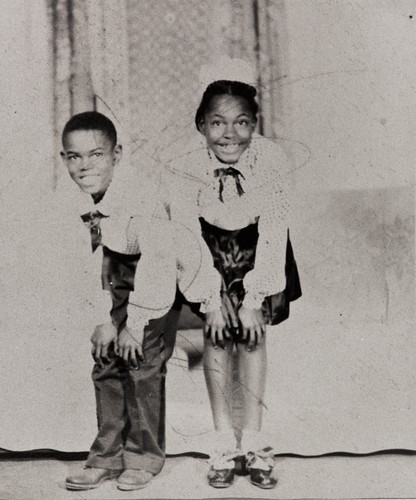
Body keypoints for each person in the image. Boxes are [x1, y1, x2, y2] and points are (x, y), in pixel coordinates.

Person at [60, 111, 221, 491]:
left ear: (116, 154)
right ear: (64, 158)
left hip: (162, 277)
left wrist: (134, 326)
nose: (84, 166)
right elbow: (85, 266)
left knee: (141, 362)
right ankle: (106, 457)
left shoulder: (141, 197)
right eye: (74, 156)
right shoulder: (71, 202)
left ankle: (144, 456)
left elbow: (160, 263)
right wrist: (103, 320)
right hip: (115, 276)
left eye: (95, 155)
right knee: (105, 360)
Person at [164, 58, 301, 490]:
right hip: (205, 251)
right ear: (201, 125)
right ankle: (223, 443)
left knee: (253, 336)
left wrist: (255, 299)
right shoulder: (183, 167)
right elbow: (186, 234)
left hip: (257, 249)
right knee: (217, 337)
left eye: (242, 122)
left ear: (255, 123)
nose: (230, 134)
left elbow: (275, 227)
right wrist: (210, 298)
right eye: (218, 123)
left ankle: (256, 443)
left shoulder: (272, 159)